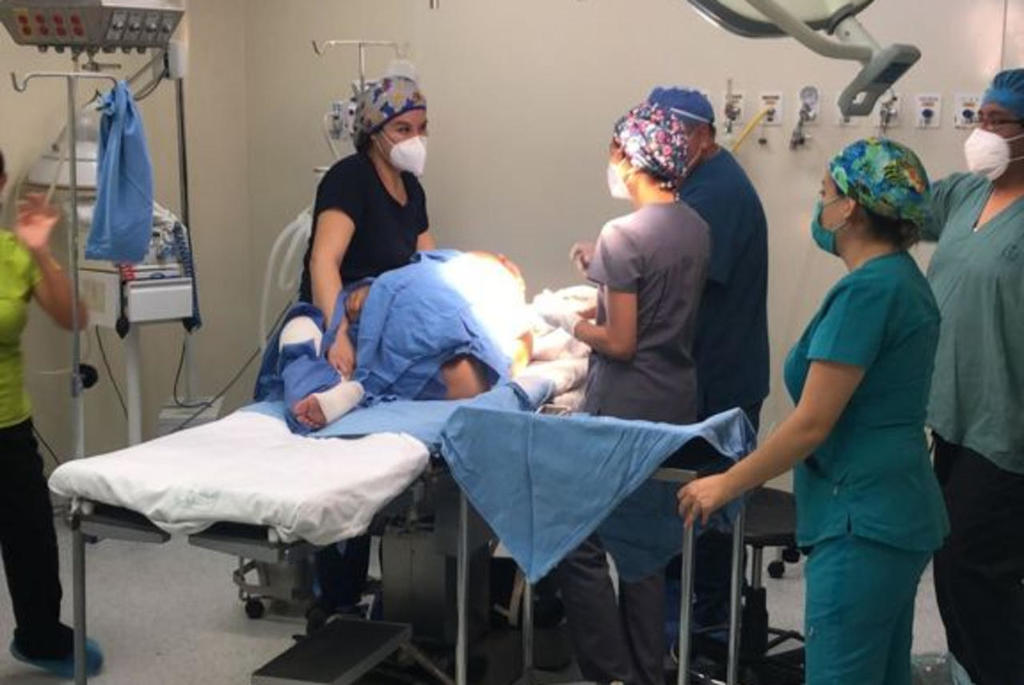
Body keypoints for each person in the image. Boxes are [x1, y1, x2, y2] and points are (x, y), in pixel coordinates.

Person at [678, 138, 949, 685]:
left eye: (825, 192)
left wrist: (727, 483)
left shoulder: (868, 294)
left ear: (851, 209)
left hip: (862, 520)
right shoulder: (900, 280)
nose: (820, 205)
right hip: (892, 508)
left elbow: (811, 424)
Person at [538, 100, 710, 684]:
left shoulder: (622, 234)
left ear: (631, 157)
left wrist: (565, 320)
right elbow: (658, 300)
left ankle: (610, 673)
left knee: (576, 540)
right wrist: (601, 278)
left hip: (623, 408)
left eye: (614, 151)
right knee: (644, 549)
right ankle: (647, 671)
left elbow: (621, 342)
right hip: (674, 401)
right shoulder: (695, 225)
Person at [295, 74, 436, 620]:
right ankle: (336, 600)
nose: (415, 139)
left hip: (385, 327)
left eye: (422, 127)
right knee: (345, 457)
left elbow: (427, 266)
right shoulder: (349, 179)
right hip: (338, 325)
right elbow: (324, 261)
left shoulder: (411, 188)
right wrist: (337, 335)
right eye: (403, 129)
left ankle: (388, 585)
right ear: (374, 131)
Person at [648, 86, 770, 649]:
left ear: (701, 136)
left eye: (669, 135)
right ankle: (695, 622)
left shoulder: (715, 196)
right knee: (693, 509)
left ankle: (707, 634)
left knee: (708, 506)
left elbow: (678, 285)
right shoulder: (699, 183)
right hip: (710, 374)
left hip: (718, 381)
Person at [921, 68, 1024, 685]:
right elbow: (898, 208)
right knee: (953, 562)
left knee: (970, 569)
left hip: (1008, 426)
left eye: (998, 121)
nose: (982, 132)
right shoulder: (966, 194)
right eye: (978, 118)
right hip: (955, 415)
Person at [0, 151, 103, 678]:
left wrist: (41, 253)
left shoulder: (15, 253)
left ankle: (39, 638)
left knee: (32, 542)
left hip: (8, 425)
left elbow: (74, 317)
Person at [273, 250, 533, 432]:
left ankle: (345, 387)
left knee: (302, 326)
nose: (513, 269)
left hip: (413, 328)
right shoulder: (457, 261)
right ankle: (343, 387)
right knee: (302, 323)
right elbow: (411, 273)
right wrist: (369, 294)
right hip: (380, 316)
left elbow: (514, 354)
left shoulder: (512, 308)